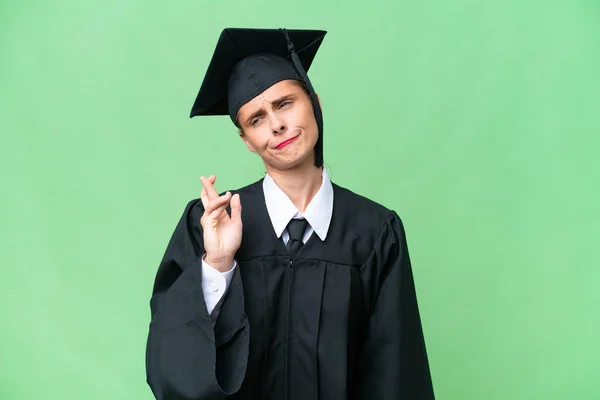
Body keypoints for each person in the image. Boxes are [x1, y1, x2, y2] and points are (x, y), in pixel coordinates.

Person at [145, 28, 434, 400]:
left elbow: (396, 374)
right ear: (247, 141)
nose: (276, 125)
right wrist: (217, 265)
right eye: (256, 119)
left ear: (315, 103)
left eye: (284, 104)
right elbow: (171, 367)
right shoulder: (209, 225)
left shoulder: (375, 232)